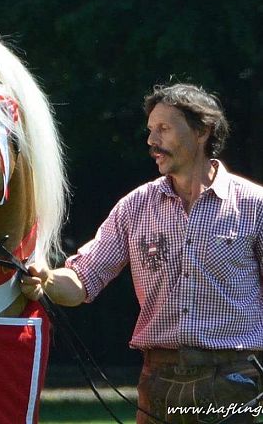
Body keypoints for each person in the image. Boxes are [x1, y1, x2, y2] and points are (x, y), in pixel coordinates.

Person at [21, 83, 263, 423]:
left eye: (163, 128)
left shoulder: (255, 206)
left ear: (202, 131)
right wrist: (46, 279)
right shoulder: (134, 208)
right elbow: (81, 280)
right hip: (158, 382)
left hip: (233, 379)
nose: (151, 141)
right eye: (150, 130)